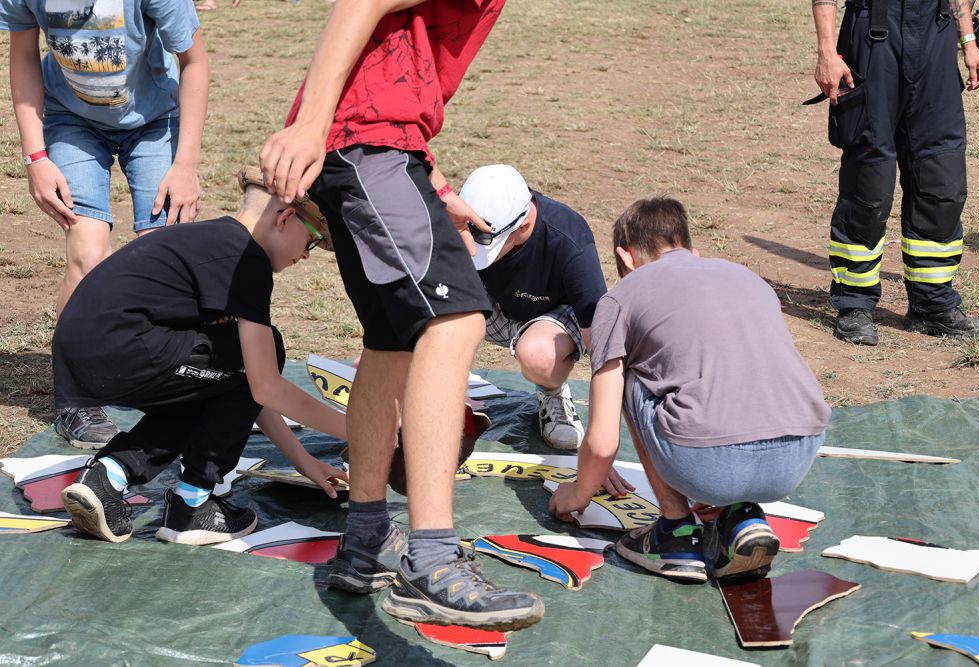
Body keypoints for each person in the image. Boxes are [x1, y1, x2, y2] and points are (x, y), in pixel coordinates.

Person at [259, 0, 543, 631]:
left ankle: (366, 538)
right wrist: (310, 125)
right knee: (457, 320)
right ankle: (431, 560)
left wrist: (434, 184)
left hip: (376, 144)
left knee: (390, 340)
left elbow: (400, 51)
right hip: (365, 142)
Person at [57, 167, 348, 546]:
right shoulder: (246, 258)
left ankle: (108, 476)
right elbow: (265, 385)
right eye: (312, 240)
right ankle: (192, 504)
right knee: (263, 351)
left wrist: (303, 461)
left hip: (86, 350)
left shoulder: (214, 240)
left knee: (216, 381)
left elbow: (247, 387)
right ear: (285, 217)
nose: (306, 255)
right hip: (124, 345)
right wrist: (357, 431)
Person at [549, 197, 831, 583]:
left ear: (625, 257)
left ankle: (676, 533)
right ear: (691, 250)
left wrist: (578, 495)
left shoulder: (621, 297)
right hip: (796, 457)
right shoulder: (747, 278)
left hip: (709, 463)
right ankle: (740, 515)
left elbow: (602, 442)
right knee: (733, 373)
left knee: (628, 373)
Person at [2, 0, 209, 448]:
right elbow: (23, 56)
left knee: (163, 253)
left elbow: (194, 62)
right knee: (88, 252)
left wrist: (186, 165)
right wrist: (35, 157)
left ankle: (172, 383)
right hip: (70, 120)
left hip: (155, 121)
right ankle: (76, 399)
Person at [811, 0, 979, 345]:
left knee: (942, 176)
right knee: (869, 182)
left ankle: (932, 303)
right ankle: (854, 304)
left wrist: (969, 42)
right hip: (873, 34)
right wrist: (827, 52)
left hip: (936, 34)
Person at [459, 164, 607, 451]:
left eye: (488, 243)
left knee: (538, 354)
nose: (476, 250)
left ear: (524, 224)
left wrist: (602, 443)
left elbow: (600, 340)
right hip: (498, 308)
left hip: (554, 318)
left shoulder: (568, 237)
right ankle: (443, 392)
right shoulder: (464, 219)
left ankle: (553, 393)